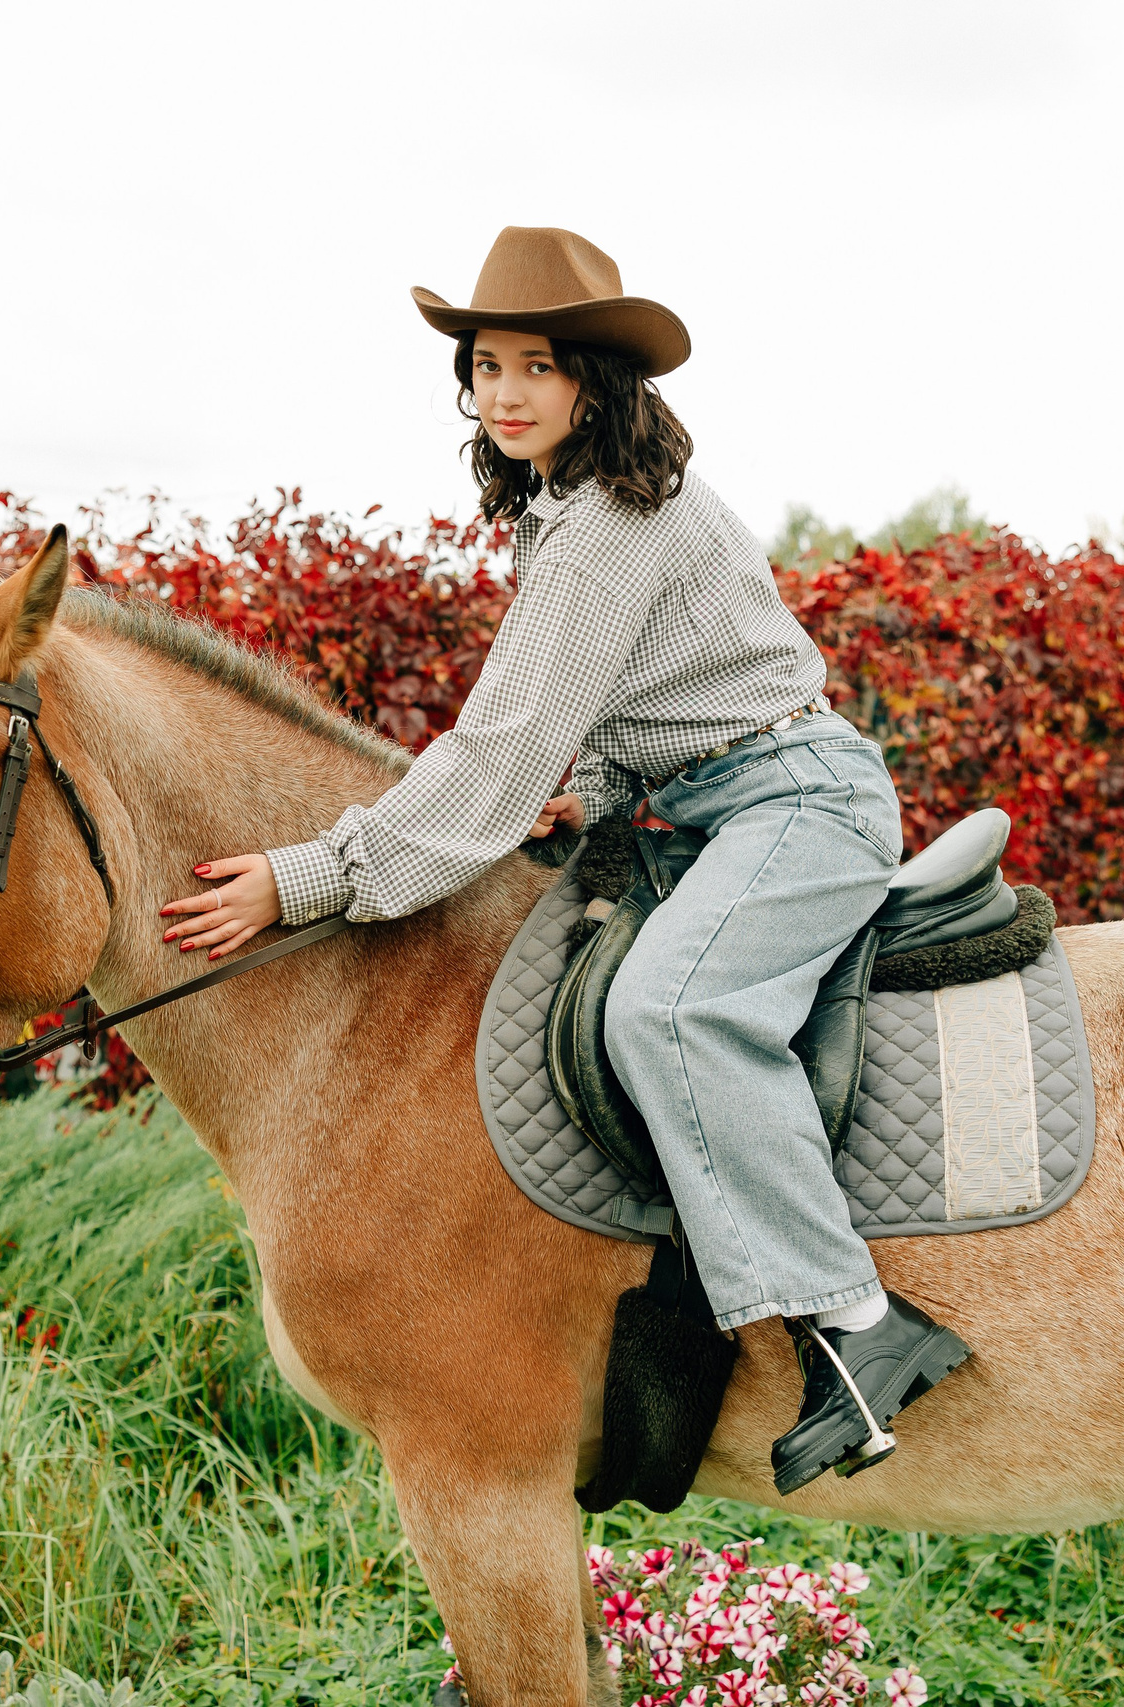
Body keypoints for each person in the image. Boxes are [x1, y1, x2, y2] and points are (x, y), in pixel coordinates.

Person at [158, 226, 966, 1490]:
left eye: (536, 365)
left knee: (672, 1011)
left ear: (596, 378)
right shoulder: (572, 513)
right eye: (486, 367)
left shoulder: (608, 527)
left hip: (793, 805)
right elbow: (604, 721)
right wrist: (582, 804)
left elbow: (499, 753)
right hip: (697, 811)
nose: (506, 393)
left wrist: (308, 876)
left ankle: (860, 1328)